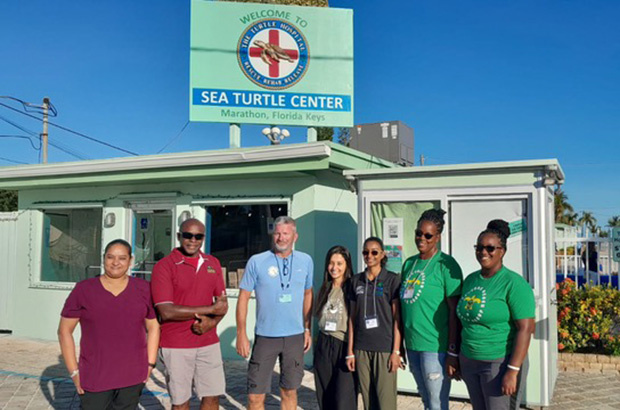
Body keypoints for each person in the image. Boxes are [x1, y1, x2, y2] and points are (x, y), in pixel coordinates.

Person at [58, 239, 160, 410]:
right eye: (110, 257)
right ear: (103, 258)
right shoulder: (84, 290)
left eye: (122, 258)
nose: (115, 262)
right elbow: (64, 331)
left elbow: (154, 327)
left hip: (132, 375)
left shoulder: (143, 289)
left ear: (130, 260)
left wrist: (150, 364)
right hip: (95, 376)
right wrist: (74, 372)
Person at [236, 216, 314, 410]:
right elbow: (243, 297)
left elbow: (308, 294)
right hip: (265, 337)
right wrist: (241, 333)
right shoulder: (257, 261)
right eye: (277, 233)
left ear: (295, 236)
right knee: (255, 396)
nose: (281, 238)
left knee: (289, 391)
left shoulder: (306, 261)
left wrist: (307, 329)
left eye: (285, 233)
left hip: (294, 337)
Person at [150, 218, 228, 410]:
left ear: (203, 238)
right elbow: (166, 311)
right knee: (180, 402)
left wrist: (212, 322)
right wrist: (210, 311)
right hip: (176, 344)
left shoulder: (213, 263)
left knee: (212, 397)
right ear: (179, 236)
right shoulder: (164, 266)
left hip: (208, 342)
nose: (192, 240)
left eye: (198, 236)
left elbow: (222, 304)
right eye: (188, 235)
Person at [457, 220, 535, 410]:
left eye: (490, 248)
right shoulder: (471, 280)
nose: (484, 252)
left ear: (502, 251)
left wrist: (512, 370)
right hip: (469, 360)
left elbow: (526, 328)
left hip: (497, 363)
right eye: (480, 247)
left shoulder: (514, 284)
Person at [400, 209, 463, 410]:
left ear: (437, 237)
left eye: (428, 235)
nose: (421, 238)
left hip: (435, 348)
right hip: (412, 345)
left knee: (437, 403)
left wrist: (452, 350)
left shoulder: (446, 265)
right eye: (419, 233)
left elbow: (455, 312)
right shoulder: (410, 263)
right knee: (426, 400)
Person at [346, 236, 403, 410]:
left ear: (382, 254)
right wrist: (350, 351)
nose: (369, 256)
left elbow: (396, 319)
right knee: (368, 401)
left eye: (374, 252)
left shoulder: (392, 280)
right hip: (361, 348)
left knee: (385, 403)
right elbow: (352, 318)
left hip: (384, 349)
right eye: (365, 252)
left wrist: (396, 351)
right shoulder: (356, 281)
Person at [313, 245, 357, 410]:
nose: (334, 268)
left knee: (343, 399)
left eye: (339, 263)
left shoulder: (352, 288)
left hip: (344, 344)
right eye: (331, 263)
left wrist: (352, 351)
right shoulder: (325, 288)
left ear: (347, 265)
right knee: (326, 396)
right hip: (324, 344)